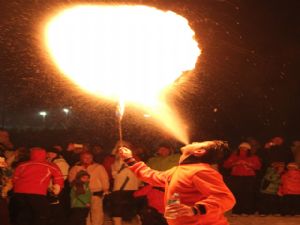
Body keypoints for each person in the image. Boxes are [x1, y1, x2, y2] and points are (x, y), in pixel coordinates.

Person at [119, 140, 236, 225]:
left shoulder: (201, 171)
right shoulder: (177, 171)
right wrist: (130, 160)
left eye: (198, 143)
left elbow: (225, 198)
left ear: (199, 151)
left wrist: (195, 209)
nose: (194, 141)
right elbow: (152, 176)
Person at [12, 147, 64, 225]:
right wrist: (56, 190)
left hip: (19, 193)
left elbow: (15, 178)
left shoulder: (22, 165)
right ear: (44, 155)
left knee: (23, 214)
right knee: (42, 214)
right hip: (37, 193)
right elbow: (59, 178)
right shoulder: (50, 165)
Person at [69, 151, 109, 225]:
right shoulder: (75, 168)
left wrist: (105, 189)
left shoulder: (98, 167)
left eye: (90, 157)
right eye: (85, 157)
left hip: (96, 192)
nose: (87, 159)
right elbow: (71, 180)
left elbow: (104, 179)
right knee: (84, 214)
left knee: (97, 212)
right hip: (82, 194)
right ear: (81, 158)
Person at [223, 142, 261, 215]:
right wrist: (235, 163)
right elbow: (226, 165)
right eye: (241, 148)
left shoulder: (253, 157)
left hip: (249, 177)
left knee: (247, 194)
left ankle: (247, 211)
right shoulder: (234, 156)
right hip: (236, 176)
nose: (243, 149)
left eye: (245, 148)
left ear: (248, 149)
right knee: (237, 193)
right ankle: (237, 211)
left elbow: (258, 166)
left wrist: (248, 164)